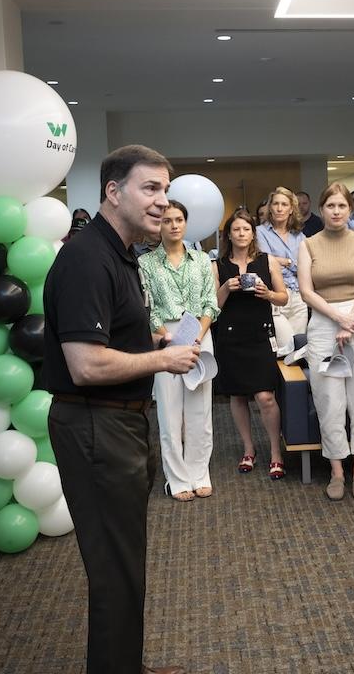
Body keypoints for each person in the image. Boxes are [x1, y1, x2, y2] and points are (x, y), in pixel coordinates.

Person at [42, 144, 195, 674]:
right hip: (94, 424)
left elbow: (107, 340)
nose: (161, 202)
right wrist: (162, 359)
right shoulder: (88, 256)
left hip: (116, 422)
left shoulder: (120, 252)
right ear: (113, 191)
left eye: (165, 190)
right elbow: (85, 365)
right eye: (149, 188)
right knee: (113, 569)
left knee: (123, 564)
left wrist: (150, 343)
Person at [299, 183, 354, 500]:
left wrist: (352, 319)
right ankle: (337, 470)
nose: (336, 211)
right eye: (330, 206)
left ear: (350, 210)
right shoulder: (308, 245)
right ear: (322, 209)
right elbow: (306, 291)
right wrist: (338, 319)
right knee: (329, 401)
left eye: (342, 206)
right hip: (323, 324)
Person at [139, 200, 220, 502]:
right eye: (166, 220)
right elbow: (146, 309)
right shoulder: (146, 263)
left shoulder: (201, 260)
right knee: (170, 413)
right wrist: (167, 338)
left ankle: (200, 473)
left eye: (178, 220)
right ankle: (177, 479)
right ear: (158, 225)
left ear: (186, 224)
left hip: (199, 335)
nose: (173, 225)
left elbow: (211, 302)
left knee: (201, 411)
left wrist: (197, 335)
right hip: (164, 339)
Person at [214, 209, 289, 479]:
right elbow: (213, 306)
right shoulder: (219, 265)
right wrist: (226, 288)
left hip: (260, 335)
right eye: (236, 230)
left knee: (265, 396)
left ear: (253, 233)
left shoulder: (268, 262)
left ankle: (275, 451)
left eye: (246, 229)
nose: (242, 234)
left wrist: (267, 293)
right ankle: (248, 448)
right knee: (237, 395)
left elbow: (284, 298)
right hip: (231, 337)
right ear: (229, 234)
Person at [257, 186, 309, 340]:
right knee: (282, 345)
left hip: (299, 296)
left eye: (284, 205)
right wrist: (291, 262)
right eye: (276, 204)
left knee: (299, 345)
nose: (280, 209)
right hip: (276, 294)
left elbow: (306, 267)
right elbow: (266, 262)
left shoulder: (299, 236)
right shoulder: (259, 232)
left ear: (291, 209)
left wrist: (284, 262)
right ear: (270, 208)